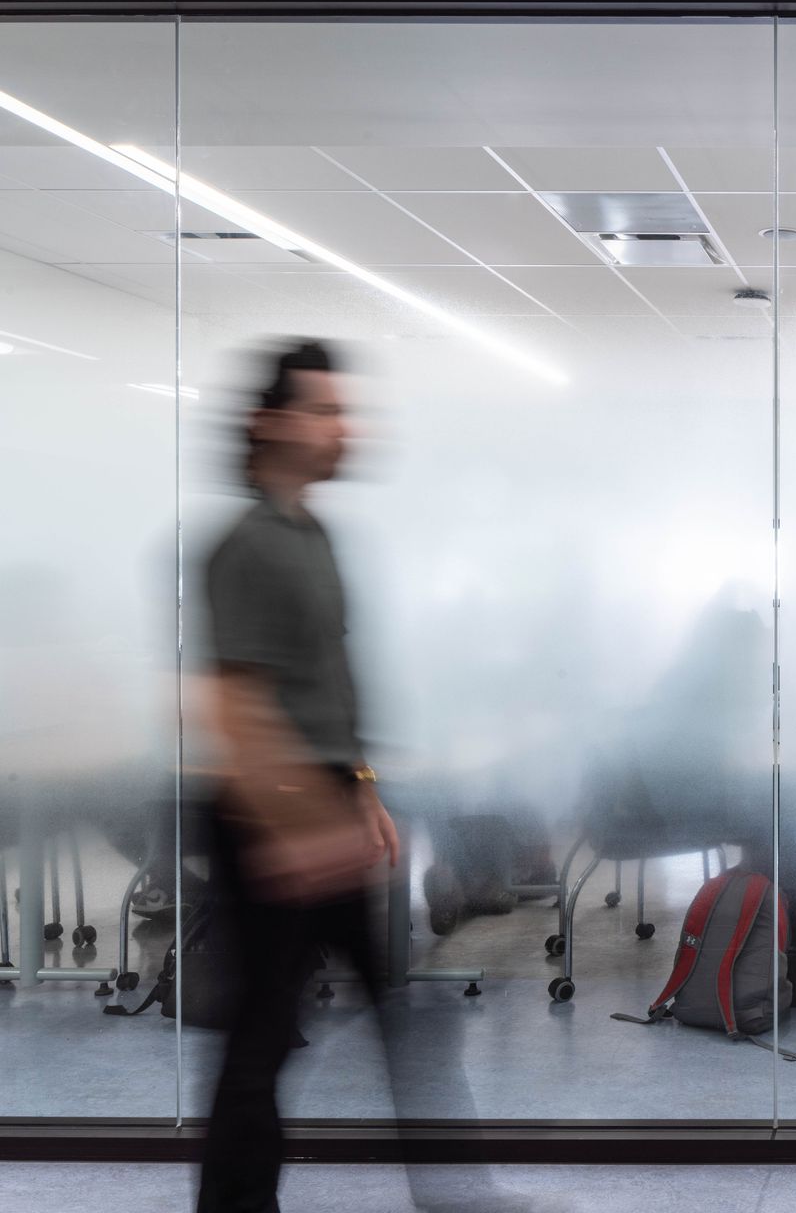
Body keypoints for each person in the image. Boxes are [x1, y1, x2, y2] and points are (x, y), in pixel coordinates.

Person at [194, 339, 551, 1213]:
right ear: (269, 423)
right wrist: (292, 824)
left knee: (394, 1013)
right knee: (263, 1037)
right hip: (272, 820)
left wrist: (361, 786)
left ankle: (454, 1194)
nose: (342, 427)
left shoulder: (312, 534)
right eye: (323, 410)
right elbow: (233, 702)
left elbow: (330, 683)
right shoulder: (245, 547)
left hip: (323, 803)